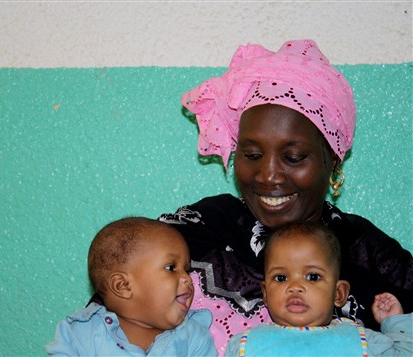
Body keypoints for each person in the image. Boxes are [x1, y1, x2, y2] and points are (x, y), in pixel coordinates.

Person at [157, 39, 413, 355]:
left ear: (332, 161)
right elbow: (115, 315)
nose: (268, 175)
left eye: (292, 157)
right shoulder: (200, 230)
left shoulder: (368, 255)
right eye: (251, 154)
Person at [225, 222, 412, 356]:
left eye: (312, 277)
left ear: (339, 293)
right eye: (281, 278)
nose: (295, 287)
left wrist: (394, 322)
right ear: (265, 294)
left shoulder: (361, 340)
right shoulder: (244, 345)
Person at [45, 217, 217, 356]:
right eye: (171, 268)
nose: (187, 278)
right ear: (123, 286)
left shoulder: (193, 338)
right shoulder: (81, 335)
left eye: (186, 270)